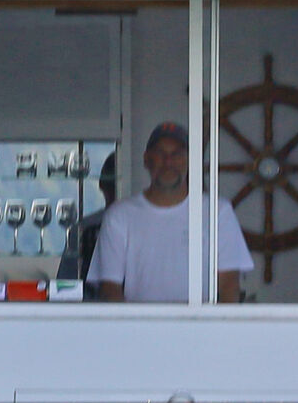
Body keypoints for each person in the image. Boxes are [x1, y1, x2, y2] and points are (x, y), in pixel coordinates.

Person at [86, 121, 254, 303]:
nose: (168, 162)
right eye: (160, 154)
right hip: (140, 328)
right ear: (146, 160)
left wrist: (219, 328)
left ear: (190, 161)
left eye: (177, 154)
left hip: (200, 328)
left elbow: (229, 283)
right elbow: (110, 288)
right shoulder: (119, 215)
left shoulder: (218, 212)